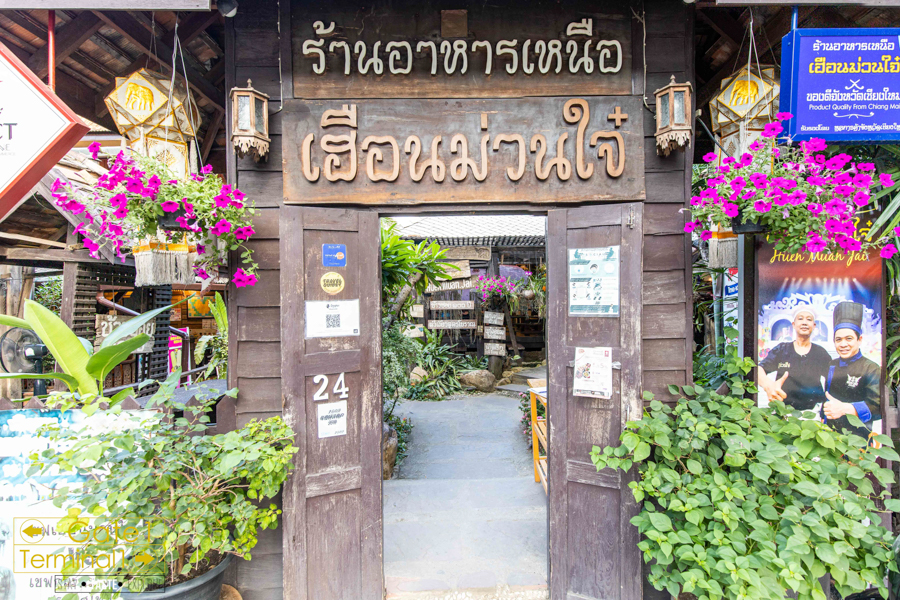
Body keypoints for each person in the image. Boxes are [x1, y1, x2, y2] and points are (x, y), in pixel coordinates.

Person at [822, 301, 881, 440]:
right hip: (830, 437)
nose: (843, 344)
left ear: (859, 340)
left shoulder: (871, 368)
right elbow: (827, 399)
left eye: (849, 339)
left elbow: (878, 406)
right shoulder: (831, 365)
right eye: (838, 340)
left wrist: (846, 409)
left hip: (859, 439)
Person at [757, 306, 831, 412]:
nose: (804, 322)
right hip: (783, 411)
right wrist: (768, 386)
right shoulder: (781, 349)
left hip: (813, 413)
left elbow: (832, 379)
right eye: (800, 319)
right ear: (793, 324)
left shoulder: (821, 353)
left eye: (809, 319)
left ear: (814, 325)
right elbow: (759, 369)